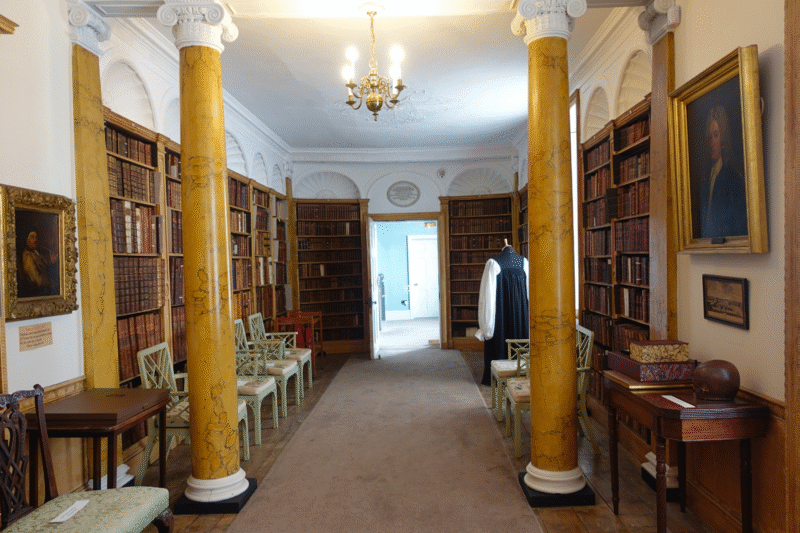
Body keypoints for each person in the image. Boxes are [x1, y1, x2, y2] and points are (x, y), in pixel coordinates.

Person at [476, 241, 529, 386]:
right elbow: (528, 294)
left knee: (501, 345)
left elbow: (487, 297)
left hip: (500, 315)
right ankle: (520, 375)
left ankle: (498, 378)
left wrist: (487, 327)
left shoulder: (493, 263)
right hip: (521, 315)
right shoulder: (524, 262)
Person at [697, 105, 748, 238]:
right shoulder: (705, 178)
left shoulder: (733, 178)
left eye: (716, 135)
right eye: (709, 137)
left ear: (723, 137)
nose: (712, 143)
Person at [19, 230, 58, 297]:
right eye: (32, 237)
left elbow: (45, 267)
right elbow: (38, 280)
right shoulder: (27, 256)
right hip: (38, 291)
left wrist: (52, 262)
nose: (35, 240)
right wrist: (51, 281)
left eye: (36, 237)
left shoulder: (36, 252)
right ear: (27, 239)